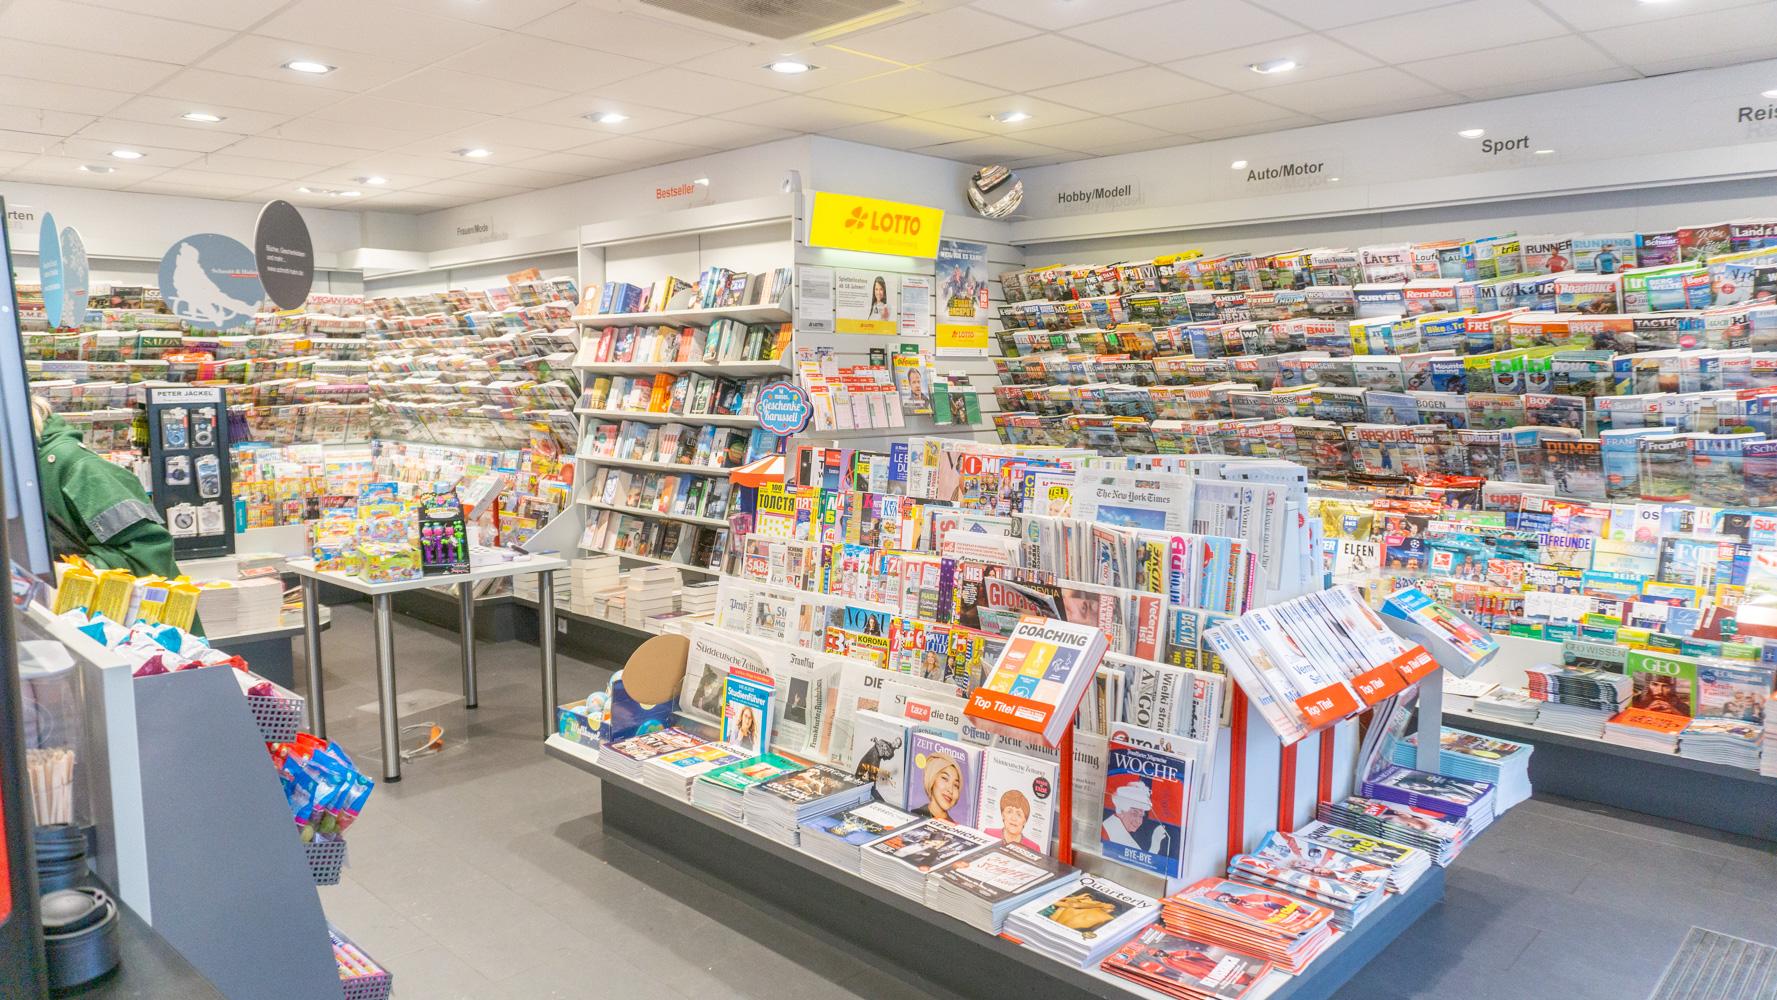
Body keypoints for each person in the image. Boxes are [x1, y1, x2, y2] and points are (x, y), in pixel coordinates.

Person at [32, 397, 179, 580]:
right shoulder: (24, 467)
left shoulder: (78, 466)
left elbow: (148, 556)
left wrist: (68, 571)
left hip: (120, 602)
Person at [915, 752, 963, 824]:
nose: (950, 790)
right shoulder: (914, 815)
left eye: (956, 785)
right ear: (932, 779)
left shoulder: (956, 827)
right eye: (945, 778)